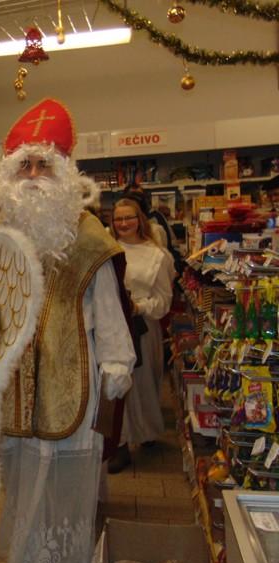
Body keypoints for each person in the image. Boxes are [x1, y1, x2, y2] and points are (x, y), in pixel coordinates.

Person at [0, 98, 136, 563]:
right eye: (23, 165)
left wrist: (117, 360)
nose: (32, 176)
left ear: (64, 172)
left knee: (64, 484)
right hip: (13, 386)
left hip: (72, 380)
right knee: (22, 480)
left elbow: (109, 309)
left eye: (43, 165)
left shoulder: (89, 239)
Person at [108, 199, 174, 473]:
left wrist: (139, 307)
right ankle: (120, 444)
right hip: (112, 328)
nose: (123, 223)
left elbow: (164, 300)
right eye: (118, 218)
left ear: (140, 220)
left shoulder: (157, 256)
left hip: (143, 328)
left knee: (144, 385)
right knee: (115, 385)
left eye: (129, 218)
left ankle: (145, 431)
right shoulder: (106, 251)